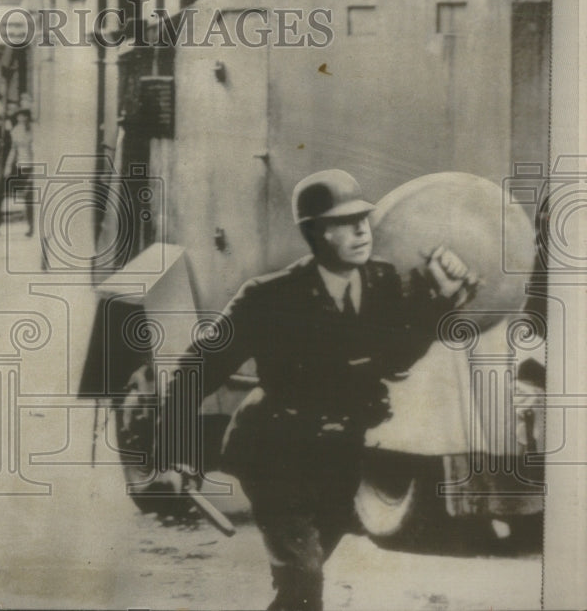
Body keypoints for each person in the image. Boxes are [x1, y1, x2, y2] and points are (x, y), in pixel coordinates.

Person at [159, 169, 479, 611]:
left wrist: (442, 301)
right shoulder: (270, 298)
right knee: (305, 581)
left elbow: (398, 357)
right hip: (274, 453)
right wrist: (173, 452)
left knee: (299, 587)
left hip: (339, 459)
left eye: (363, 219)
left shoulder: (381, 283)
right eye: (344, 222)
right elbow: (195, 369)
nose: (361, 230)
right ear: (315, 232)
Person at [3, 108, 34, 236]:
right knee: (28, 197)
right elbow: (13, 150)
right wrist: (8, 166)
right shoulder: (15, 131)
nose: (23, 120)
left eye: (25, 117)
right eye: (20, 117)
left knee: (32, 195)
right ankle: (31, 225)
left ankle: (34, 226)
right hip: (23, 166)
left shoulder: (35, 130)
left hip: (35, 165)